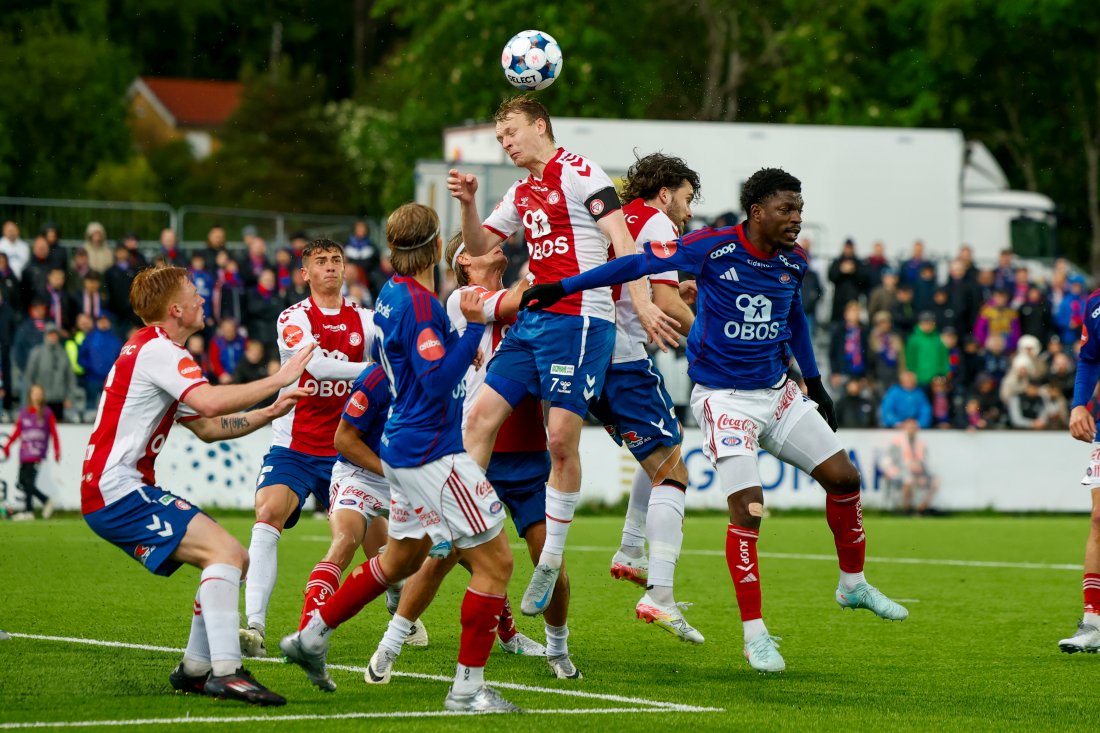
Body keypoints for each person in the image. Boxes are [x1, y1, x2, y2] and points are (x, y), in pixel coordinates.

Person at [521, 167, 908, 674]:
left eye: (799, 209)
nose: (796, 219)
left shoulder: (795, 261)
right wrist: (563, 287)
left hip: (777, 393)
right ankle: (755, 635)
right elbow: (634, 265)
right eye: (786, 209)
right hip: (724, 398)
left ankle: (852, 585)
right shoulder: (711, 247)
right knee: (749, 509)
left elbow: (794, 318)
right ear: (757, 212)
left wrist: (813, 382)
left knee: (845, 478)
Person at [280, 203, 520, 713]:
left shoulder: (390, 293)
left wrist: (463, 329)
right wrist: (475, 328)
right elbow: (435, 381)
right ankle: (467, 690)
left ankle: (312, 635)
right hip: (431, 451)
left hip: (401, 447)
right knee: (496, 563)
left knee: (400, 558)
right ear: (436, 248)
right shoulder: (419, 303)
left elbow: (421, 362)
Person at [448, 94, 679, 618]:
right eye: (500, 136)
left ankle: (550, 558)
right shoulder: (521, 190)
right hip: (534, 318)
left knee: (559, 440)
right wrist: (467, 203)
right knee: (478, 419)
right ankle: (460, 524)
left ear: (540, 125)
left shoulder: (579, 171)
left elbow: (623, 241)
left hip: (580, 319)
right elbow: (481, 246)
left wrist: (641, 303)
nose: (505, 143)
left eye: (511, 132)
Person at [79, 264, 316, 705]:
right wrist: (277, 380)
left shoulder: (152, 350)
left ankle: (194, 668)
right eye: (194, 293)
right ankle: (226, 672)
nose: (202, 299)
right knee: (226, 553)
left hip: (115, 489)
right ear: (175, 309)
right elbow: (207, 401)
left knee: (232, 558)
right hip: (117, 491)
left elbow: (208, 427)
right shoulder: (159, 350)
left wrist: (269, 412)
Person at [364, 233, 558, 687]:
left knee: (517, 555)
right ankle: (393, 643)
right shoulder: (460, 303)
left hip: (519, 448)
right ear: (462, 263)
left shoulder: (498, 298)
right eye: (482, 244)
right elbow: (519, 298)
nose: (497, 246)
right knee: (446, 555)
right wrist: (558, 256)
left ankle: (537, 644)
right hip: (469, 448)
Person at [580, 152, 701, 643]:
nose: (689, 212)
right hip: (625, 363)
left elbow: (653, 289)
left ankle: (630, 551)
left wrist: (671, 291)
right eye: (688, 199)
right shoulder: (655, 223)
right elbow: (667, 303)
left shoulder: (617, 218)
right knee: (675, 472)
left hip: (592, 357)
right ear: (666, 192)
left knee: (660, 457)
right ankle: (660, 595)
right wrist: (718, 348)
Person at [239, 239, 376, 657]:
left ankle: (400, 610)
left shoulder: (367, 320)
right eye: (321, 262)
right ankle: (255, 628)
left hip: (347, 447)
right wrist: (371, 369)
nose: (331, 267)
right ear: (305, 274)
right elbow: (312, 364)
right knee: (267, 514)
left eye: (337, 260)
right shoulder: (293, 317)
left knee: (372, 545)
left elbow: (400, 350)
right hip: (294, 446)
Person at [292, 360, 429, 647]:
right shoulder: (378, 376)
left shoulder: (443, 377)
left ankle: (508, 632)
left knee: (461, 547)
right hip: (362, 474)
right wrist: (392, 472)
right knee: (344, 541)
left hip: (411, 477)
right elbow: (342, 439)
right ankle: (306, 635)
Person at [1059, 286, 1100, 652]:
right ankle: (1093, 624)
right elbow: (1089, 358)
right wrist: (1079, 405)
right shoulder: (1095, 303)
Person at [3, 383, 59, 520]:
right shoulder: (24, 413)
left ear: (42, 395)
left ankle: (35, 507)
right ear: (30, 395)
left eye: (39, 393)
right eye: (35, 392)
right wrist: (7, 446)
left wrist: (57, 450)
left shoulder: (47, 413)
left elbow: (54, 433)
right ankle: (32, 509)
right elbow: (17, 432)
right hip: (24, 453)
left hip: (37, 454)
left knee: (27, 481)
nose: (37, 395)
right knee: (24, 482)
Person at [881, 418, 941, 513]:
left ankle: (921, 509)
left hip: (918, 472)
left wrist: (921, 470)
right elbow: (894, 461)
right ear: (905, 428)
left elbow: (924, 461)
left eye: (914, 427)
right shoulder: (897, 441)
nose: (912, 429)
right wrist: (910, 466)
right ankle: (905, 510)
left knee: (936, 481)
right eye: (910, 427)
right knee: (908, 480)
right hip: (899, 472)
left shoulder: (920, 443)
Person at [22, 324, 75, 422]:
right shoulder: (37, 352)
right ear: (45, 335)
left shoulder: (63, 353)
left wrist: (69, 397)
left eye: (55, 334)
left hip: (59, 400)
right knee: (40, 427)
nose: (53, 337)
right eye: (50, 334)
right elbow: (29, 376)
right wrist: (32, 397)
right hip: (41, 400)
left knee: (59, 428)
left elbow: (70, 378)